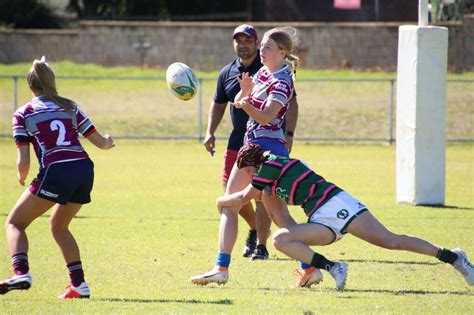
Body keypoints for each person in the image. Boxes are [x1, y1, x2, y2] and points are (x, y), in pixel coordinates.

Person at [215, 143, 474, 290]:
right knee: (281, 240)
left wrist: (220, 201)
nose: (248, 176)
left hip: (337, 203)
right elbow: (278, 215)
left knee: (390, 241)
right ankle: (332, 268)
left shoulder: (269, 166)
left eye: (248, 172)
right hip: (320, 217)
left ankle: (453, 257)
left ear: (253, 166)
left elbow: (241, 198)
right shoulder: (270, 174)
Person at [192, 27, 300, 285]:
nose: (261, 50)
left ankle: (222, 267)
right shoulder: (263, 72)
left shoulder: (283, 81)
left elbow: (266, 116)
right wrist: (244, 93)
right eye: (261, 45)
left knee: (241, 206)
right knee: (275, 214)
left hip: (268, 151)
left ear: (283, 52)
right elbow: (241, 99)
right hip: (252, 147)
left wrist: (245, 103)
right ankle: (312, 266)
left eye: (267, 47)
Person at [0, 57, 115, 299]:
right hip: (84, 170)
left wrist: (21, 177)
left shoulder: (23, 113)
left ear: (30, 86)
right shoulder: (70, 107)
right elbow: (101, 143)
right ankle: (79, 285)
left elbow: (24, 162)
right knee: (59, 226)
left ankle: (20, 272)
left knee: (14, 223)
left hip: (57, 171)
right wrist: (108, 141)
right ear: (52, 82)